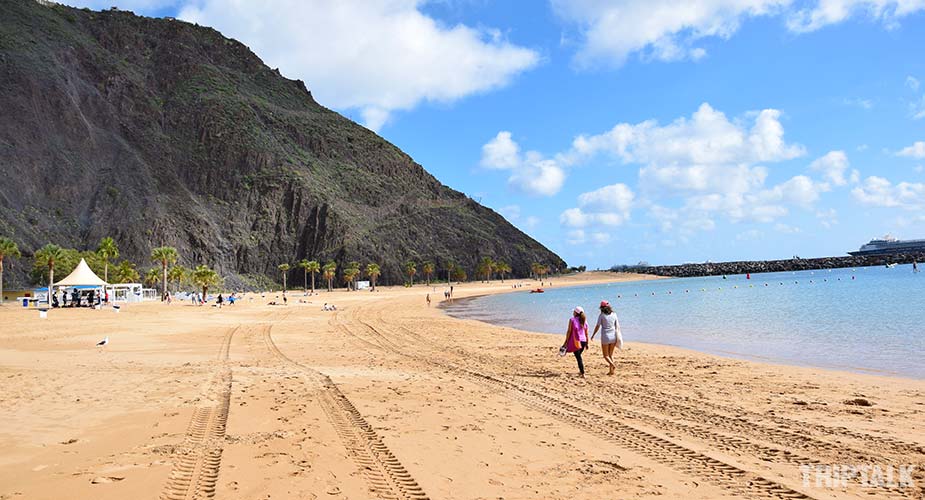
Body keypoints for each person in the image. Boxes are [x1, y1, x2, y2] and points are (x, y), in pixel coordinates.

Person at [591, 300, 623, 376]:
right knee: (610, 355)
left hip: (606, 337)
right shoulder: (614, 314)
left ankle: (613, 365)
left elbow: (597, 326)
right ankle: (611, 371)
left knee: (605, 356)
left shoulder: (601, 315)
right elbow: (617, 326)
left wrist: (593, 335)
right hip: (614, 336)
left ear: (601, 308)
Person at [561, 306, 589, 378]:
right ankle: (581, 372)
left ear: (576, 313)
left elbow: (569, 331)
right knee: (578, 356)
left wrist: (566, 341)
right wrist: (587, 343)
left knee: (578, 357)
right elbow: (586, 333)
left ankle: (583, 373)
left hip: (576, 341)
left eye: (574, 311)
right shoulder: (585, 321)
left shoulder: (572, 320)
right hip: (583, 341)